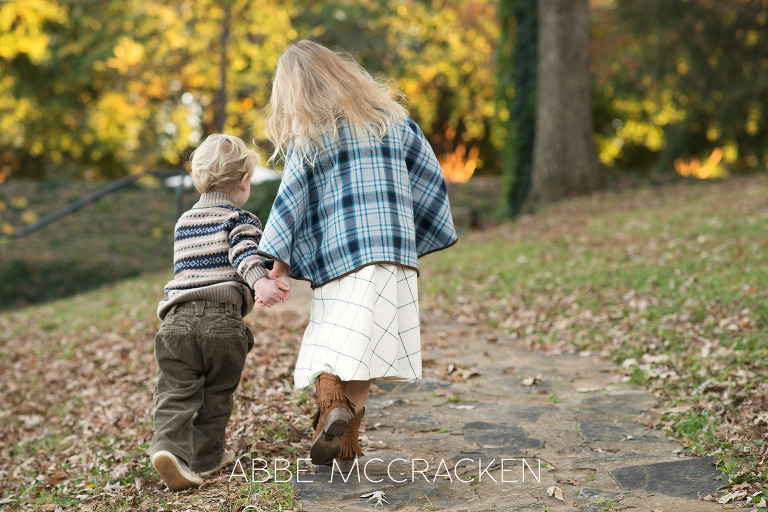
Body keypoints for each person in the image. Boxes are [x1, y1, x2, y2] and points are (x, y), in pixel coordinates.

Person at [258, 40, 457, 470]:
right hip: (394, 254)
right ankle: (345, 442)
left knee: (329, 338)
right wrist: (414, 231)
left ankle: (331, 399)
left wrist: (278, 264)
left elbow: (289, 201)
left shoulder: (311, 133)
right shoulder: (393, 120)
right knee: (365, 347)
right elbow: (429, 178)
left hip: (344, 252)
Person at [149, 133, 289, 490]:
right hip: (222, 324)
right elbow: (243, 253)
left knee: (175, 392)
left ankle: (168, 450)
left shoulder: (183, 222)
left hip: (176, 325)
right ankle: (205, 460)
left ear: (199, 179)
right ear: (244, 181)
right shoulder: (240, 218)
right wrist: (261, 282)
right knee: (215, 396)